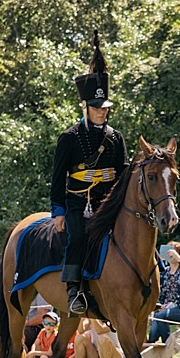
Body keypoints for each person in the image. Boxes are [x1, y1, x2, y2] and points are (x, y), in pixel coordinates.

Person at [51, 41, 126, 316]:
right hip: (77, 202)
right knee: (79, 237)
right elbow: (58, 177)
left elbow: (122, 172)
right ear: (85, 106)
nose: (102, 111)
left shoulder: (116, 138)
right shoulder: (69, 138)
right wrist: (58, 211)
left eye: (105, 107)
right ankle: (74, 289)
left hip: (108, 203)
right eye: (96, 107)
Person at [148, 242, 180, 343]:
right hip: (164, 311)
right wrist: (160, 306)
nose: (170, 255)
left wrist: (177, 257)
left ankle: (168, 343)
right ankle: (161, 355)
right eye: (169, 252)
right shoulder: (164, 273)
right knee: (152, 335)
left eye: (173, 252)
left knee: (160, 316)